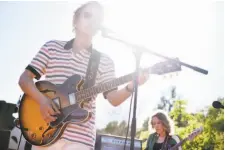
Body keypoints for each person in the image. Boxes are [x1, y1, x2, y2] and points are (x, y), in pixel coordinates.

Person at [18, 1, 149, 150]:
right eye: (87, 15)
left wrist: (132, 85)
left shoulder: (105, 61)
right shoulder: (52, 47)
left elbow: (113, 99)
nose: (92, 21)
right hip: (46, 132)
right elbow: (24, 79)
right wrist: (42, 101)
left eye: (97, 18)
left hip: (80, 140)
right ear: (76, 19)